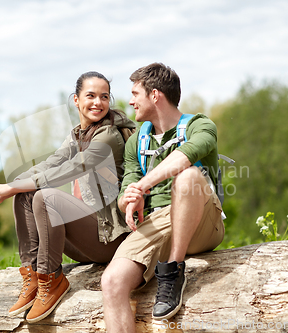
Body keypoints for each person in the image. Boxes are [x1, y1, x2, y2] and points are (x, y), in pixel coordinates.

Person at [0, 71, 135, 323]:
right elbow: (49, 164)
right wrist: (7, 188)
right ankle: (33, 276)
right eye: (90, 96)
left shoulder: (109, 136)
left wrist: (11, 189)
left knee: (46, 197)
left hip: (113, 240)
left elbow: (68, 170)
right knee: (25, 193)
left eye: (104, 97)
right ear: (76, 100)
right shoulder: (78, 135)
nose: (98, 103)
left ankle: (52, 281)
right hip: (90, 238)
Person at [101, 63, 225, 332]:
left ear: (155, 95)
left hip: (203, 221)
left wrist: (144, 185)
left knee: (188, 176)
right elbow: (127, 190)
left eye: (136, 93)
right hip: (157, 223)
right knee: (111, 282)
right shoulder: (137, 141)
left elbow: (186, 156)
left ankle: (173, 271)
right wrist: (129, 200)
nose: (131, 101)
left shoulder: (200, 125)